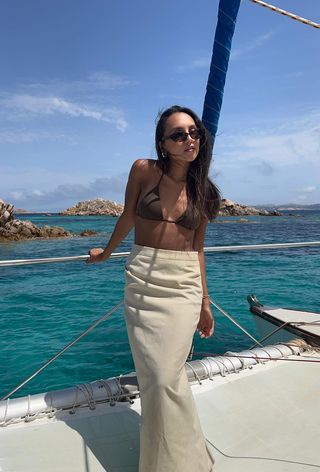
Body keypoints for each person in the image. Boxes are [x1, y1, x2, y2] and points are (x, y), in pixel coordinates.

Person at [87, 105, 220, 472]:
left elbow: (198, 248)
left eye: (193, 132)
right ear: (163, 143)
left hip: (184, 284)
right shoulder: (143, 170)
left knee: (166, 377)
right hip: (144, 278)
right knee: (158, 379)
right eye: (178, 134)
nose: (189, 139)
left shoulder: (205, 191)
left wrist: (205, 303)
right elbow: (128, 215)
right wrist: (108, 252)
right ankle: (184, 460)